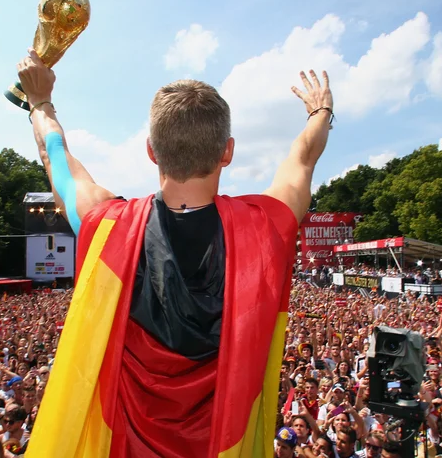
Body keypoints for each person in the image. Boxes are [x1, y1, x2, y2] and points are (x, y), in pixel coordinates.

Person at [17, 49, 333, 457]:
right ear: (228, 151)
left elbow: (55, 158)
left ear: (151, 150)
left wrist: (40, 101)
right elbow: (303, 160)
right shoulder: (264, 228)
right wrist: (320, 111)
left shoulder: (110, 228)